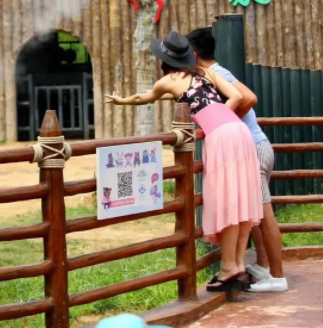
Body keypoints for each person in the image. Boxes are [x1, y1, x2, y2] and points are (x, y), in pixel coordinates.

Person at [105, 31, 264, 292]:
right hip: (239, 132)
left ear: (164, 59)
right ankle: (236, 264)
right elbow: (235, 96)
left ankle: (227, 269)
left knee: (226, 202)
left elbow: (143, 97)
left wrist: (120, 100)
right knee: (240, 201)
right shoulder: (207, 72)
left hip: (221, 137)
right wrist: (222, 116)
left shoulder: (169, 80)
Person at [187, 27, 288, 292]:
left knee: (264, 215)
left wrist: (223, 120)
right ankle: (265, 268)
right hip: (252, 146)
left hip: (251, 148)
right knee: (251, 213)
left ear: (195, 54)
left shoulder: (216, 74)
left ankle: (278, 277)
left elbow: (248, 98)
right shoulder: (212, 74)